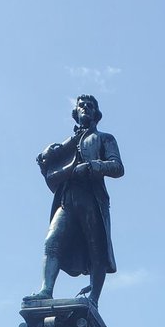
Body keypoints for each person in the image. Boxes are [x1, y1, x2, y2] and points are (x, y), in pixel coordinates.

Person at [30, 95, 124, 307]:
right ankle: (46, 290)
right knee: (52, 242)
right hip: (67, 197)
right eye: (82, 106)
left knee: (96, 248)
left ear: (96, 114)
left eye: (90, 106)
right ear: (76, 112)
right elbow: (51, 169)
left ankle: (94, 300)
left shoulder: (105, 138)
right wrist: (44, 159)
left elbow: (117, 167)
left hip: (92, 197)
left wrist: (92, 167)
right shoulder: (65, 145)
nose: (86, 109)